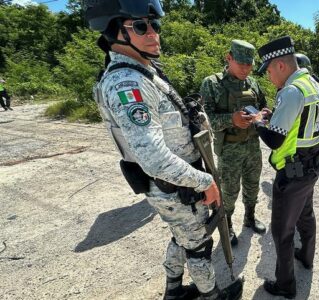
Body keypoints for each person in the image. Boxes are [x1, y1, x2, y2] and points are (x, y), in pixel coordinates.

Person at [84, 0, 242, 299]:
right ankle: (211, 295)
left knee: (183, 238)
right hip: (174, 186)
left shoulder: (143, 71)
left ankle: (173, 290)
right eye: (141, 26)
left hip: (178, 184)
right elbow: (153, 158)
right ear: (113, 32)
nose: (153, 33)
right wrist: (205, 182)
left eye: (154, 25)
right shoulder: (127, 81)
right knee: (198, 246)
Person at [254, 36, 319, 299]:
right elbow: (301, 122)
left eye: (269, 70)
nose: (269, 76)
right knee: (306, 214)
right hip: (311, 166)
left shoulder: (292, 91)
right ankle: (306, 257)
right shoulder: (313, 84)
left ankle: (286, 286)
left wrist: (258, 122)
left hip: (292, 171)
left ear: (280, 65)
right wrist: (275, 116)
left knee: (282, 232)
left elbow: (274, 139)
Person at [200, 40, 267, 247]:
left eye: (249, 65)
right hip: (229, 149)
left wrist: (265, 114)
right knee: (228, 191)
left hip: (252, 146)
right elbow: (208, 119)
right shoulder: (212, 83)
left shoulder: (253, 84)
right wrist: (232, 119)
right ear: (229, 57)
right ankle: (227, 224)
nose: (246, 69)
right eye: (241, 64)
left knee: (252, 185)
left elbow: (263, 106)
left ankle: (250, 216)